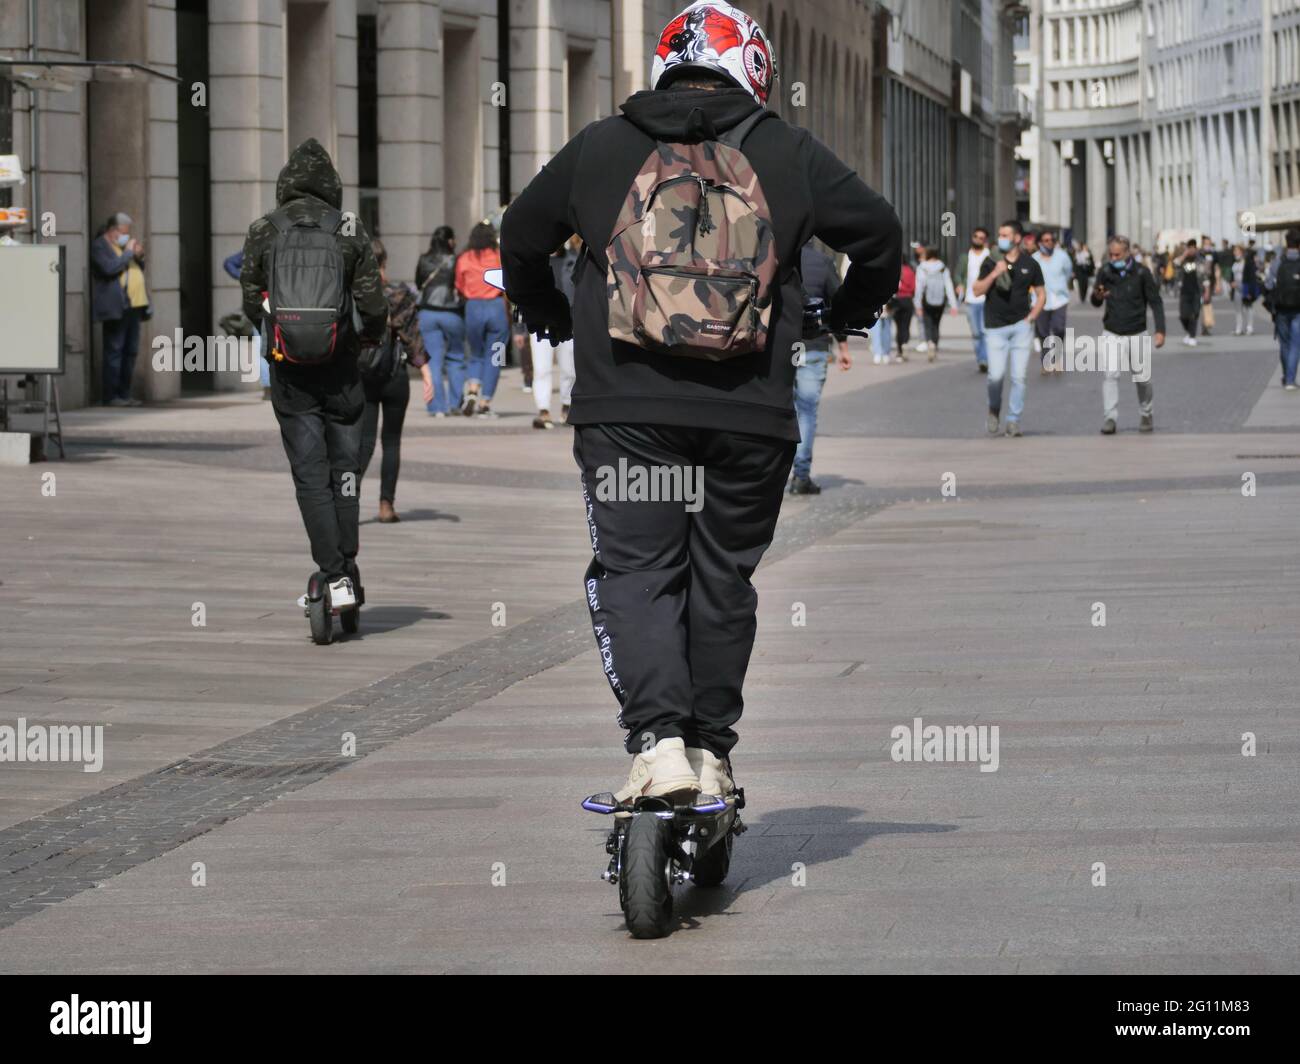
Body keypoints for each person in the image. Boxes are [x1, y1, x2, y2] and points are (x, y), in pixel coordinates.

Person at [500, 0, 900, 801]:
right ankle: (713, 749)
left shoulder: (602, 147)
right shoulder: (787, 151)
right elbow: (880, 234)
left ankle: (659, 745)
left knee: (637, 569)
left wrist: (550, 319)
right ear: (753, 70)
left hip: (626, 415)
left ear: (665, 62)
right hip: (749, 416)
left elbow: (519, 234)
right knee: (723, 578)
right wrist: (848, 315)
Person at [240, 137, 387, 609]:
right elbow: (372, 303)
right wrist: (367, 339)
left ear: (286, 185)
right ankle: (347, 561)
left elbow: (250, 299)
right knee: (345, 471)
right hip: (342, 369)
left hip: (291, 374)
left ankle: (332, 572)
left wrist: (280, 329)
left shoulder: (265, 229)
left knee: (309, 474)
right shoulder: (349, 228)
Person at [360, 238, 433, 523]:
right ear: (383, 263)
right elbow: (412, 336)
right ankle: (386, 505)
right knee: (391, 442)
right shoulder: (398, 294)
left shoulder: (354, 296)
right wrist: (426, 372)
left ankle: (347, 502)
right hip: (395, 375)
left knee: (362, 443)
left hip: (362, 375)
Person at [971, 219, 1045, 437]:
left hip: (1021, 327)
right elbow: (976, 291)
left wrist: (1031, 318)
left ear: (1017, 238)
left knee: (1019, 377)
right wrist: (994, 273)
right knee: (995, 375)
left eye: (1005, 235)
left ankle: (1013, 420)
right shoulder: (990, 260)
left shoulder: (1030, 264)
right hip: (995, 327)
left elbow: (1041, 294)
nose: (1001, 238)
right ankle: (994, 410)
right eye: (1000, 234)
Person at [790, 239, 852, 494]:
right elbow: (838, 305)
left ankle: (775, 472)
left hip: (781, 349)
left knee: (779, 410)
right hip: (813, 347)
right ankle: (801, 475)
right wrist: (843, 346)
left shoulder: (774, 256)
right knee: (806, 412)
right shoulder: (823, 262)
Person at [1090, 235, 1165, 434]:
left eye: (1117, 255)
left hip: (1137, 332)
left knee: (1142, 378)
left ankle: (1146, 412)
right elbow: (1096, 300)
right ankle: (1110, 418)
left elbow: (1155, 302)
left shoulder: (1141, 272)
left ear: (1127, 253)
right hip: (1112, 331)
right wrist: (1097, 296)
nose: (1113, 258)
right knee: (1110, 375)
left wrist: (1160, 331)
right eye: (1111, 254)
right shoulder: (1105, 271)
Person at [90, 212, 150, 406]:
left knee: (130, 352)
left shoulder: (123, 246)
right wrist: (128, 253)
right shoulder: (100, 246)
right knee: (114, 351)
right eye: (123, 232)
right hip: (116, 306)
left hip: (134, 305)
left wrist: (139, 255)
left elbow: (136, 267)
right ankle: (111, 396)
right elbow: (109, 268)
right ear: (112, 230)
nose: (125, 235)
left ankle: (124, 394)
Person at [455, 222, 509, 417]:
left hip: (473, 307)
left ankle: (472, 389)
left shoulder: (464, 258)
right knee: (496, 356)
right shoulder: (499, 256)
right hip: (496, 308)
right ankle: (485, 401)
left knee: (475, 353)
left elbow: (459, 285)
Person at [414, 226, 467, 417]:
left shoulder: (424, 259)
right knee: (456, 358)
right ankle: (455, 404)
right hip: (452, 313)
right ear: (450, 241)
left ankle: (437, 407)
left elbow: (419, 283)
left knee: (433, 360)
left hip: (427, 313)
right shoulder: (457, 260)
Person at [532, 236, 580, 428]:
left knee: (569, 369)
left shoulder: (573, 260)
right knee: (542, 369)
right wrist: (519, 327)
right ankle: (543, 410)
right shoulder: (536, 263)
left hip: (567, 321)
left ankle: (566, 405)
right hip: (541, 321)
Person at [1263, 227, 1300, 391]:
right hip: (1298, 309)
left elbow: (1268, 284)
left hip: (1281, 309)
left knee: (1284, 344)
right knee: (1295, 344)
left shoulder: (1277, 261)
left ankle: (1287, 376)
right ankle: (1291, 379)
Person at [1033, 227, 1073, 375]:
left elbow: (1068, 272)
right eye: (1046, 240)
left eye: (1052, 240)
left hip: (1059, 299)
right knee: (1042, 332)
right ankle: (1045, 361)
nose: (1049, 243)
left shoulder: (1062, 256)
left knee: (1058, 328)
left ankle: (1057, 359)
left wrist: (1062, 286)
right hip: (1039, 300)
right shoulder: (1034, 259)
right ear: (1039, 243)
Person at [954, 226, 991, 372]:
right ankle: (981, 358)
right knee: (976, 333)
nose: (978, 239)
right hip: (970, 299)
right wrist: (959, 285)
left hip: (986, 299)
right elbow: (958, 274)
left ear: (985, 240)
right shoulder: (965, 257)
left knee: (985, 331)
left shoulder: (989, 255)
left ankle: (986, 359)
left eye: (981, 238)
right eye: (976, 236)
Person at [913, 244, 958, 361]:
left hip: (926, 301)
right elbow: (948, 286)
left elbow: (919, 287)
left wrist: (917, 303)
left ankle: (930, 343)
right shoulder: (943, 267)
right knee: (936, 324)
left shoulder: (922, 267)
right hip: (940, 301)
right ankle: (935, 344)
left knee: (927, 323)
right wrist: (953, 304)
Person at [1177, 240, 1206, 346]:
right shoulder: (1183, 260)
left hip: (1197, 291)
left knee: (1194, 314)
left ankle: (1192, 336)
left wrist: (1206, 291)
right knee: (1183, 316)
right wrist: (1184, 255)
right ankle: (1189, 332)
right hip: (1184, 291)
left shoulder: (1200, 260)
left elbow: (1205, 276)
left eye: (1194, 247)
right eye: (1190, 247)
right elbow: (1175, 264)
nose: (1192, 250)